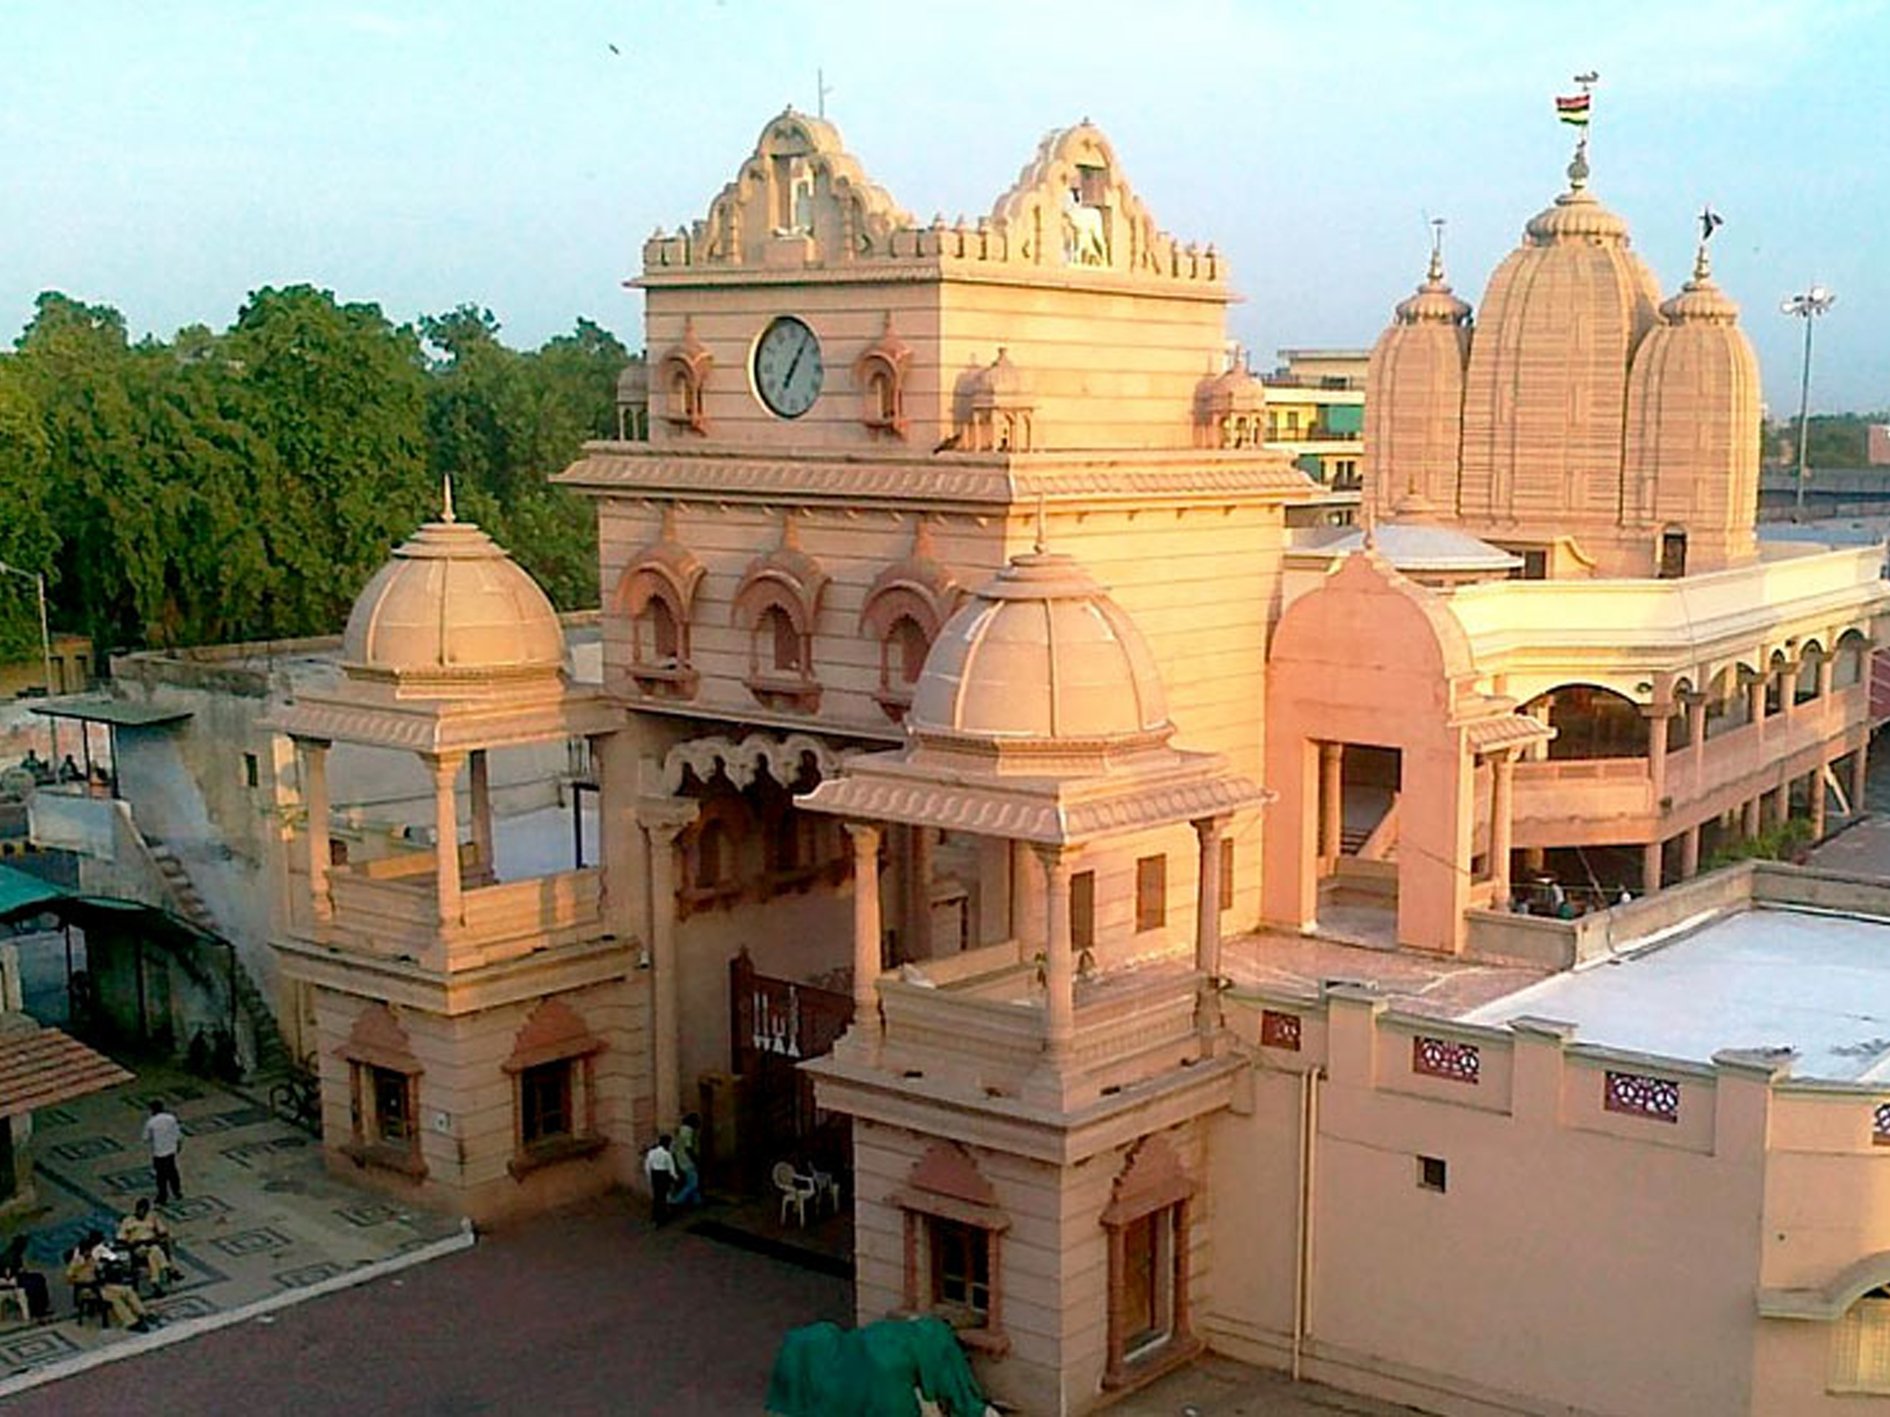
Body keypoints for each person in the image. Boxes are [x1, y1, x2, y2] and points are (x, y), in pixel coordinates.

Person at [65, 1231, 151, 1331]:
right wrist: (80, 1280)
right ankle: (130, 1322)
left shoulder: (93, 1258)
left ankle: (142, 1313)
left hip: (101, 1285)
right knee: (115, 1298)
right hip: (87, 1289)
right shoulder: (77, 1262)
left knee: (127, 1290)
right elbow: (68, 1278)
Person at [116, 1199, 180, 1292]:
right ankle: (168, 1268)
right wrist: (130, 1243)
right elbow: (120, 1237)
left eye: (144, 1210)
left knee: (153, 1253)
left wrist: (160, 1236)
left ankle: (155, 1282)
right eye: (140, 1210)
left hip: (151, 1244)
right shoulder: (128, 1221)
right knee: (155, 1251)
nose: (142, 1212)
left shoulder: (152, 1217)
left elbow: (163, 1231)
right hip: (138, 1247)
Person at [0, 1234, 51, 1321]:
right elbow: (9, 1274)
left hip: (15, 1280)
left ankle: (38, 1308)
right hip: (13, 1283)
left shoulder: (10, 1253)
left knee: (38, 1278)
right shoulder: (12, 1256)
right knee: (38, 1282)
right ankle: (39, 1309)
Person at [142, 1099, 184, 1204]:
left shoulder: (151, 1122)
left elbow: (145, 1138)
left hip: (159, 1152)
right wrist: (178, 1145)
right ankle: (177, 1192)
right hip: (170, 1150)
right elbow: (178, 1133)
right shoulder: (171, 1118)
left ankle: (162, 1196)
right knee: (172, 1171)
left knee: (161, 1175)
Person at [643, 1133, 678, 1225]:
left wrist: (649, 1177)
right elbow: (671, 1168)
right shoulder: (667, 1154)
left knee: (657, 1196)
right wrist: (675, 1177)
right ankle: (662, 1217)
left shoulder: (652, 1152)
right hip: (664, 1175)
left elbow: (647, 1166)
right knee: (663, 1196)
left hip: (655, 1175)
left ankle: (655, 1217)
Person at [671, 1113, 702, 1208]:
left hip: (681, 1159)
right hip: (687, 1161)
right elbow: (688, 1148)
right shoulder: (688, 1131)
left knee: (692, 1180)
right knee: (692, 1183)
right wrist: (695, 1159)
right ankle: (676, 1201)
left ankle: (697, 1201)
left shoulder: (680, 1130)